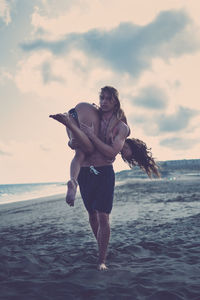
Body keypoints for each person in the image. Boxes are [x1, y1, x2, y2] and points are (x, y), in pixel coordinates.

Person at [50, 86, 160, 270]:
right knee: (92, 215)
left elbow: (110, 151)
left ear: (116, 101)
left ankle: (102, 260)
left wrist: (87, 136)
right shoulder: (99, 115)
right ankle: (101, 245)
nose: (104, 101)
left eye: (109, 99)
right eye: (103, 98)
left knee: (103, 216)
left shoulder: (121, 128)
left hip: (103, 173)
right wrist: (75, 136)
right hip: (85, 171)